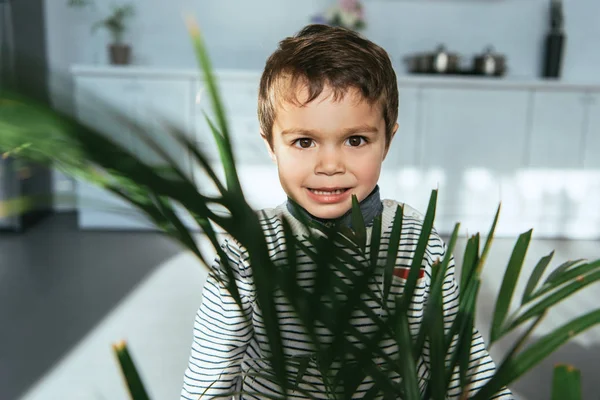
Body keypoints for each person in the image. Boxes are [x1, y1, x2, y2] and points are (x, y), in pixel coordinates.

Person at [181, 24, 513, 399]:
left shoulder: (416, 237)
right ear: (271, 144)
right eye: (304, 141)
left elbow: (458, 358)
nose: (330, 165)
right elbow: (210, 375)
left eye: (356, 140)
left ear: (387, 140)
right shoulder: (248, 247)